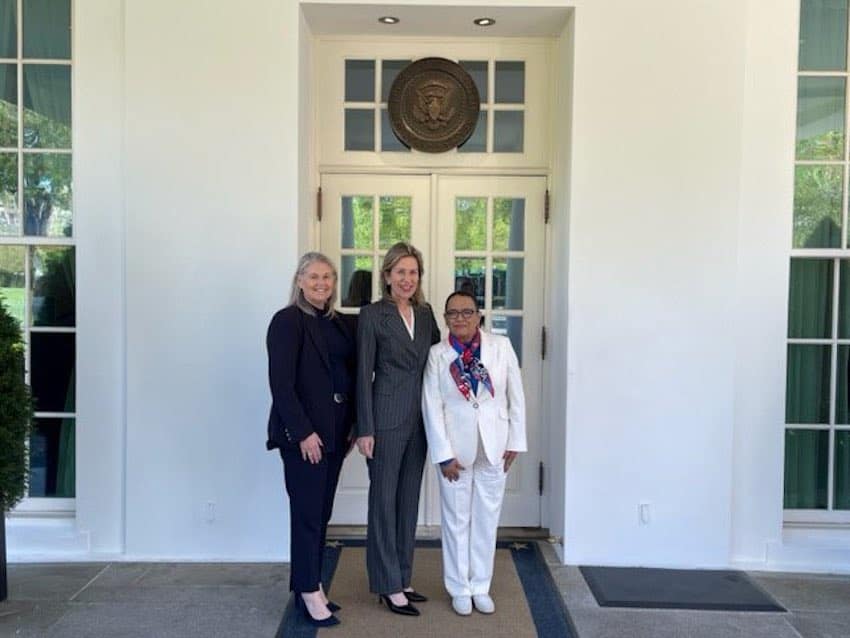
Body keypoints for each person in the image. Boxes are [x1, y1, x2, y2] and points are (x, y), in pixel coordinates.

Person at [421, 290, 527, 616]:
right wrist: (442, 454)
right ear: (445, 318)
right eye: (452, 313)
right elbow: (432, 406)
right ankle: (459, 587)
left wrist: (516, 441)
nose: (460, 318)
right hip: (456, 450)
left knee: (486, 519)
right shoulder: (438, 355)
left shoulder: (500, 347)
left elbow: (515, 395)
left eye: (467, 312)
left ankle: (480, 585)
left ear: (478, 315)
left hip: (494, 445)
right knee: (455, 520)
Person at [266, 252, 357, 628]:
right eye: (314, 277)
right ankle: (307, 590)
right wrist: (304, 432)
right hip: (305, 437)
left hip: (335, 435)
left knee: (321, 515)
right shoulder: (287, 322)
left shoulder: (337, 324)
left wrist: (350, 427)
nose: (322, 284)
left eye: (329, 278)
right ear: (300, 280)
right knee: (306, 515)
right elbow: (281, 385)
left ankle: (311, 584)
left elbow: (347, 375)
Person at [355, 242, 441, 617]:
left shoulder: (425, 314)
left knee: (408, 502)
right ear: (387, 275)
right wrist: (365, 428)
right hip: (385, 419)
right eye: (400, 272)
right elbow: (362, 374)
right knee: (383, 503)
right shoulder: (373, 315)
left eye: (413, 272)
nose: (408, 279)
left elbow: (439, 363)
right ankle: (386, 584)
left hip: (421, 421)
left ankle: (403, 577)